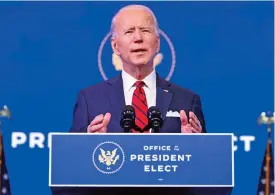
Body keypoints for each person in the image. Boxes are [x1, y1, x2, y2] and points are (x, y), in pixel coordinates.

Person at [51, 4, 232, 195]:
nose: (138, 38)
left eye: (145, 30)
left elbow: (211, 184)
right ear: (115, 46)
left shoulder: (187, 100)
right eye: (129, 31)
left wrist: (194, 149)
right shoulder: (90, 99)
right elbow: (66, 184)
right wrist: (87, 149)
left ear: (157, 43)